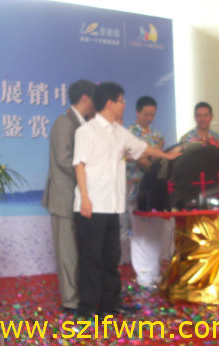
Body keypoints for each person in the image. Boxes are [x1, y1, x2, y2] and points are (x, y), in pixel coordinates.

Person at [72, 82, 180, 318]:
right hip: (92, 205)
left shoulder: (119, 132)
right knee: (91, 259)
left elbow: (143, 148)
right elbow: (79, 165)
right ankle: (88, 309)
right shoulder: (86, 131)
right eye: (121, 101)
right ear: (109, 103)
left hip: (113, 205)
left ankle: (110, 305)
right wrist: (85, 199)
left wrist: (167, 155)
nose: (124, 105)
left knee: (111, 257)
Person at [42, 80, 96, 312]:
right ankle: (70, 301)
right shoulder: (64, 122)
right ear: (85, 98)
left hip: (77, 195)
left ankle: (79, 295)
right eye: (95, 99)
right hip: (63, 196)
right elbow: (64, 159)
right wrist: (90, 171)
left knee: (77, 250)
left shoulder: (83, 123)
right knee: (67, 252)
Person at [125, 96, 173, 288]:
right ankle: (143, 276)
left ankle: (154, 272)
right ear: (137, 112)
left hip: (155, 191)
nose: (149, 118)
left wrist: (149, 159)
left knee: (155, 233)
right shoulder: (128, 133)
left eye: (152, 114)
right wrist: (144, 159)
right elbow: (135, 158)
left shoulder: (158, 136)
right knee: (140, 234)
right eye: (146, 114)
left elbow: (160, 160)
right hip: (136, 190)